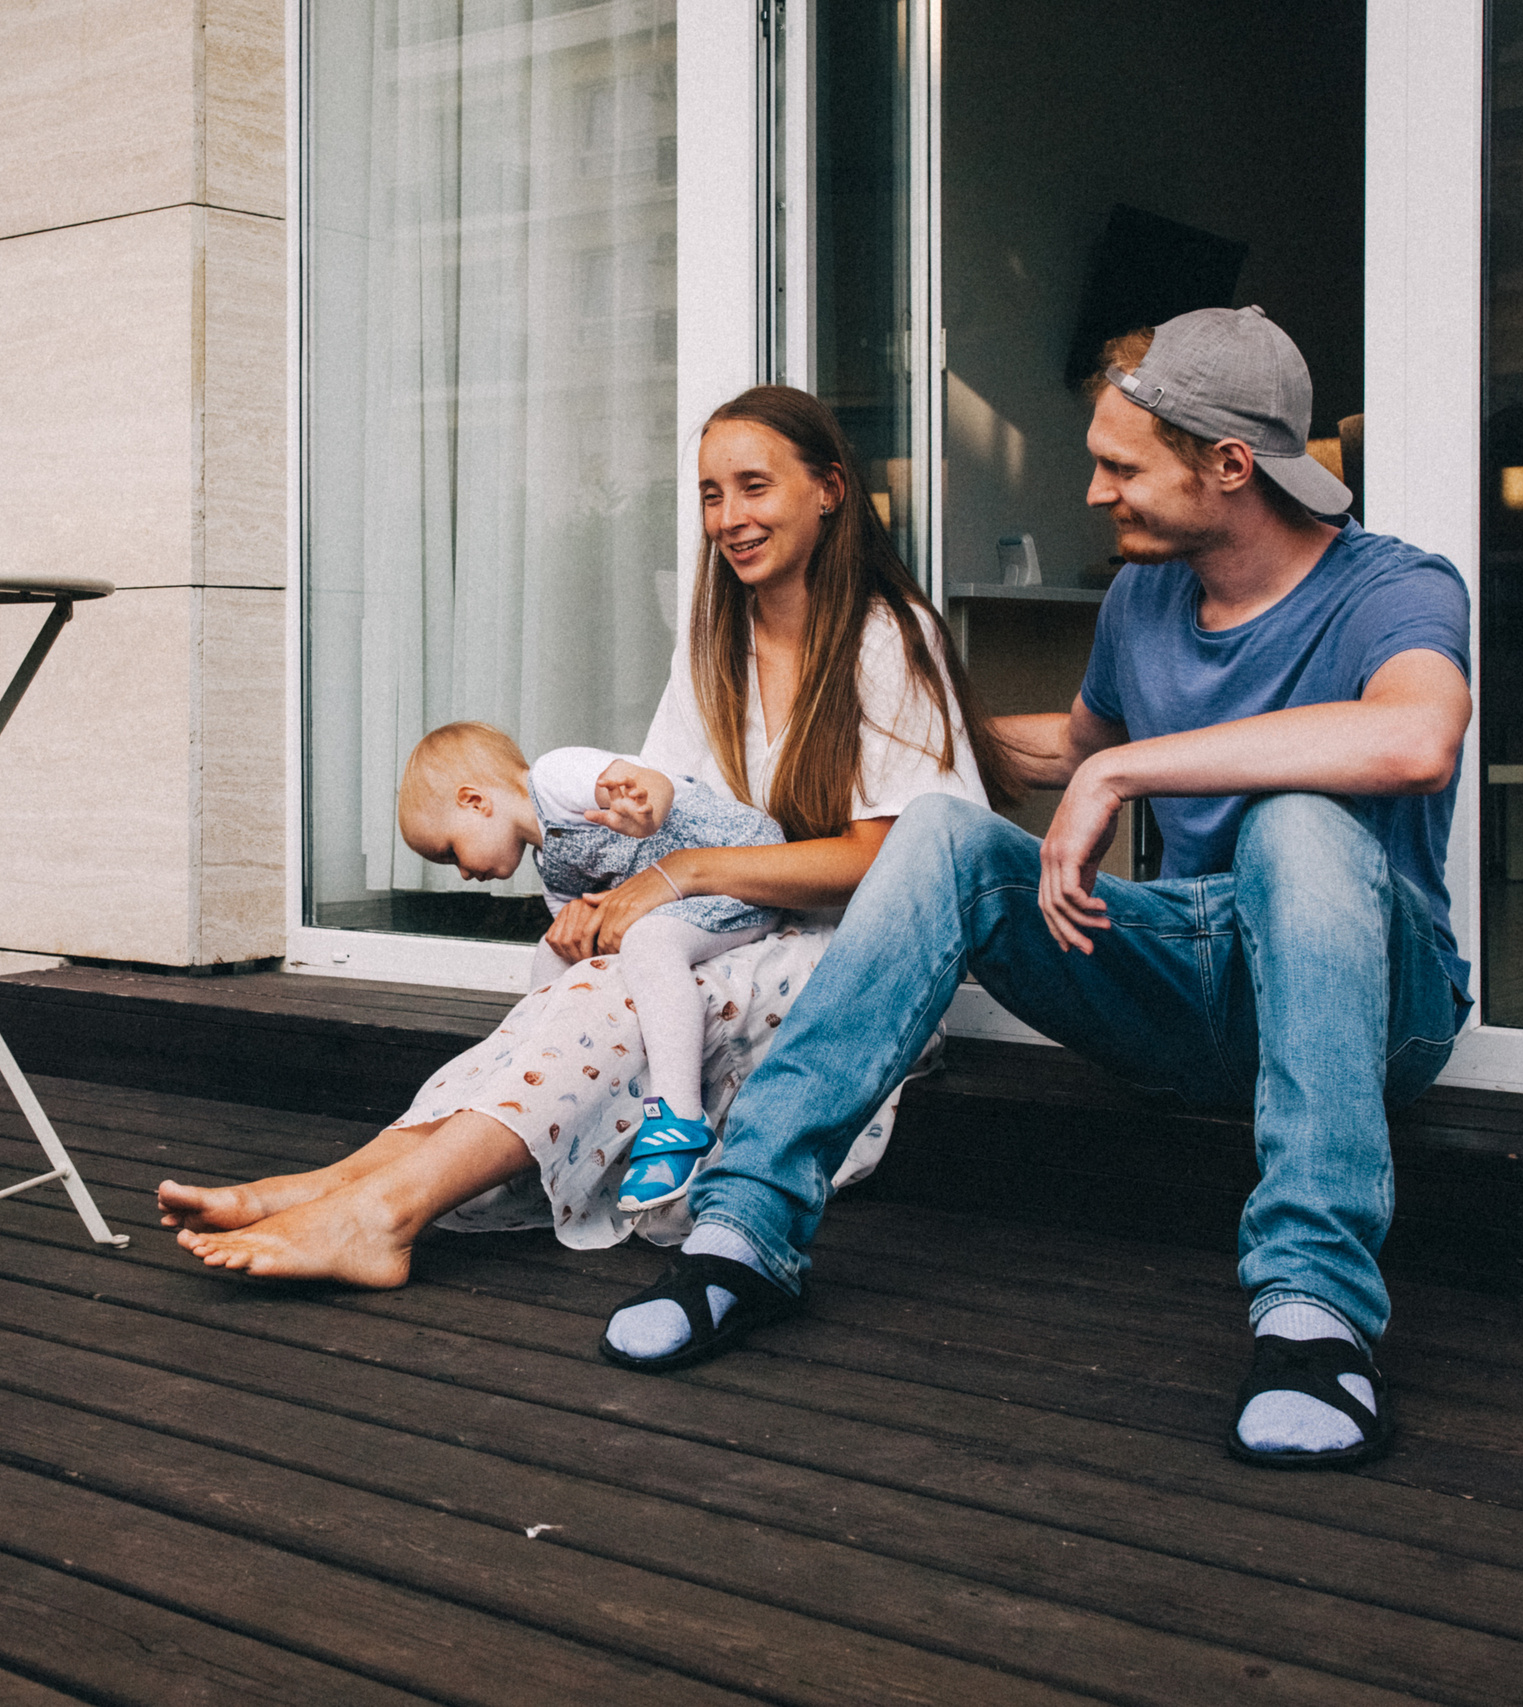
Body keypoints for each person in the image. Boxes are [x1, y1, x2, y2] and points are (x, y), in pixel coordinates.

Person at [599, 307, 1472, 1472]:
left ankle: (1314, 1315)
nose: (1095, 492)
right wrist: (862, 742)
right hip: (1186, 980)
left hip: (1372, 1000)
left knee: (1300, 823)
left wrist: (1126, 767)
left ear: (1227, 466)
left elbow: (1413, 737)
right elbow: (1060, 746)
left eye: (1120, 466)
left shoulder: (1393, 587)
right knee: (939, 832)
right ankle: (742, 1232)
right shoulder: (1143, 601)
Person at [156, 385, 1017, 1285]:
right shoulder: (714, 646)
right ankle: (340, 1185)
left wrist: (678, 878)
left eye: (754, 486)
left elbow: (888, 860)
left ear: (830, 489)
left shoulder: (887, 636)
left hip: (857, 965)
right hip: (732, 928)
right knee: (583, 984)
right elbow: (654, 812)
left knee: (616, 995)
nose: (729, 516)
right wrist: (610, 900)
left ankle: (383, 1211)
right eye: (711, 494)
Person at [396, 721, 787, 1210]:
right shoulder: (551, 863)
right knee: (553, 949)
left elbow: (652, 780)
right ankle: (527, 1084)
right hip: (683, 900)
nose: (463, 873)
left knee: (649, 942)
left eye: (451, 851)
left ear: (475, 801)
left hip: (740, 868)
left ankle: (680, 1123)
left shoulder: (555, 777)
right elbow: (587, 938)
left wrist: (646, 809)